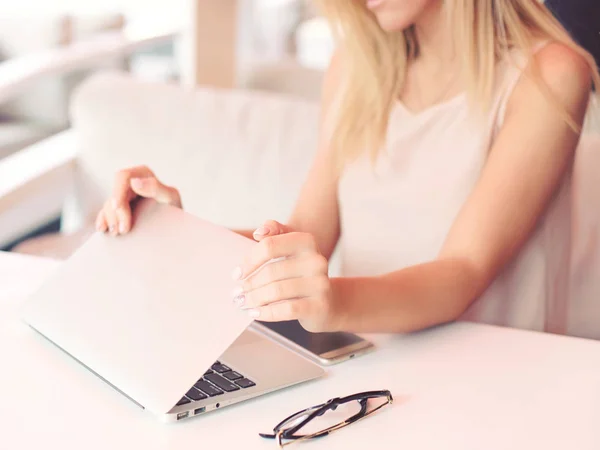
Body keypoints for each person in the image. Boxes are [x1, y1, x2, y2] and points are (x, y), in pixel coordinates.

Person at [96, 0, 599, 335]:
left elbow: (463, 271)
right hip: (367, 372)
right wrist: (174, 230)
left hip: (495, 384)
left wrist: (332, 303)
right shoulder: (356, 70)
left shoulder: (550, 75)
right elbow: (305, 235)